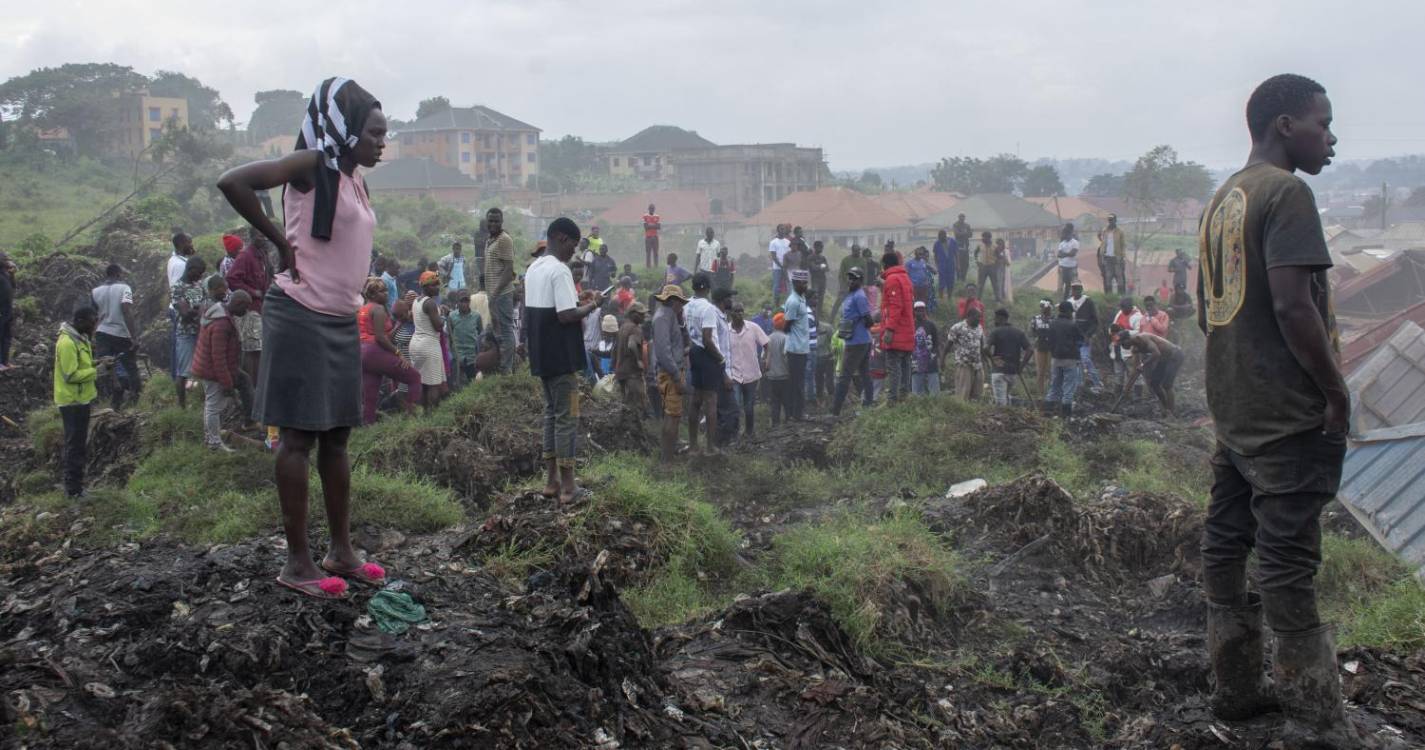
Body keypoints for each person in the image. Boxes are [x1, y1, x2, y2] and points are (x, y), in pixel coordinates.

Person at [1196, 75, 1389, 748]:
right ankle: (1312, 720)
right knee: (1285, 561)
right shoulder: (1287, 193)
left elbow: (1208, 314)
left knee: (1225, 542)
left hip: (1235, 409)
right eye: (1321, 123)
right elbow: (1291, 305)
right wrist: (1334, 390)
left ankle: (1236, 691)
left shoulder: (1224, 198)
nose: (1330, 137)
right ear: (1284, 125)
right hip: (1285, 415)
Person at [216, 76, 389, 599]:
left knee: (336, 438)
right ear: (344, 129)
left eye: (386, 134)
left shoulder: (354, 177)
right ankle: (298, 564)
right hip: (299, 314)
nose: (383, 142)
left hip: (338, 318)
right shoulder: (313, 165)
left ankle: (341, 551)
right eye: (375, 133)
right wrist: (277, 242)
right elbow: (234, 182)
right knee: (297, 439)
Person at [525, 217, 604, 502]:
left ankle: (551, 481)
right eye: (574, 243)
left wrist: (580, 302)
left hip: (542, 357)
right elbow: (566, 315)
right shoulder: (559, 271)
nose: (574, 250)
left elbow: (557, 308)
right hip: (563, 360)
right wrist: (593, 305)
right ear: (560, 237)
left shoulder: (534, 269)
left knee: (551, 415)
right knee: (568, 417)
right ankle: (569, 487)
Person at [54, 305, 109, 498]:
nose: (95, 326)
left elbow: (81, 365)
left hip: (81, 399)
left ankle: (76, 486)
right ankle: (74, 490)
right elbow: (70, 374)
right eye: (92, 322)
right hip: (72, 402)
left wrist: (99, 363)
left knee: (77, 443)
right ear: (79, 322)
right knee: (75, 445)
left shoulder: (80, 338)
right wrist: (98, 371)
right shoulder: (68, 343)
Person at [190, 288, 254, 452]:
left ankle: (249, 421)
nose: (245, 311)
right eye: (245, 307)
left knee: (244, 380)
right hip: (212, 370)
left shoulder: (222, 313)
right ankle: (214, 443)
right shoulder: (221, 324)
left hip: (212, 367)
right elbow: (218, 357)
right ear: (238, 303)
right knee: (213, 407)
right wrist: (227, 384)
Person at [357, 277, 420, 424]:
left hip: (361, 353)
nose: (386, 294)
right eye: (381, 291)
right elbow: (380, 338)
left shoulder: (362, 309)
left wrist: (397, 325)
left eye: (386, 290)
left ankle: (368, 426)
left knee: (370, 395)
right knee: (414, 377)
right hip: (374, 351)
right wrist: (398, 354)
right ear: (372, 295)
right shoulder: (378, 309)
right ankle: (412, 416)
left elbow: (377, 334)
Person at [684, 272, 726, 453]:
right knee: (711, 401)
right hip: (708, 354)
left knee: (695, 399)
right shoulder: (708, 308)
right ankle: (710, 446)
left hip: (694, 351)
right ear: (708, 288)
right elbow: (708, 338)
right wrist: (720, 358)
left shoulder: (687, 305)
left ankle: (693, 444)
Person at [90, 263, 140, 410]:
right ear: (118, 274)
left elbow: (93, 315)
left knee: (106, 367)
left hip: (102, 333)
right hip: (120, 333)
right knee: (130, 367)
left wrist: (92, 335)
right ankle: (134, 400)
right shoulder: (125, 288)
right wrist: (134, 336)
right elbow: (126, 310)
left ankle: (111, 402)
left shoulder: (95, 291)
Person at [226, 228, 273, 380]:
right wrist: (252, 292)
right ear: (252, 237)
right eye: (260, 235)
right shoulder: (245, 256)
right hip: (250, 310)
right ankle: (252, 385)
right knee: (252, 350)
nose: (264, 238)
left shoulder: (262, 255)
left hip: (262, 307)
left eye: (265, 235)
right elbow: (232, 279)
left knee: (260, 348)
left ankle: (259, 383)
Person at [651, 285, 688, 461]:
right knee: (672, 416)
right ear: (674, 301)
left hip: (672, 370)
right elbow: (663, 352)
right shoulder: (662, 318)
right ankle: (666, 460)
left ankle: (669, 456)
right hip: (669, 373)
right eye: (680, 302)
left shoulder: (668, 316)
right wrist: (675, 375)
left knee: (673, 414)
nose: (682, 306)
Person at [830, 268, 874, 415]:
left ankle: (834, 411)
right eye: (849, 277)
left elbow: (869, 320)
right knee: (864, 374)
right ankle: (868, 405)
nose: (850, 280)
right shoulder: (851, 295)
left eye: (854, 278)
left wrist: (856, 327)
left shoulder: (859, 296)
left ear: (860, 281)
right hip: (857, 341)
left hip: (857, 342)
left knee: (844, 376)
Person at [725, 300, 770, 437]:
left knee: (749, 408)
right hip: (734, 375)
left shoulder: (753, 327)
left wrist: (765, 359)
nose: (739, 314)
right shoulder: (725, 330)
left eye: (741, 311)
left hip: (751, 374)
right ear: (730, 313)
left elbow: (767, 344)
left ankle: (749, 433)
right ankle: (735, 433)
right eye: (736, 311)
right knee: (736, 406)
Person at [170, 256, 208, 409]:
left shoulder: (199, 284)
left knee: (204, 369)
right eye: (198, 273)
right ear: (190, 269)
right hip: (186, 333)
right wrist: (197, 310)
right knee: (184, 371)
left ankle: (205, 402)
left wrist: (198, 309)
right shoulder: (177, 287)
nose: (200, 276)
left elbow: (205, 303)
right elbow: (184, 313)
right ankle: (182, 406)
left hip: (201, 331)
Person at [1116, 330, 1183, 415]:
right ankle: (1165, 408)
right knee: (1154, 383)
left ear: (1128, 339)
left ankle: (1172, 412)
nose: (1122, 346)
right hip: (1164, 359)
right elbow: (1135, 369)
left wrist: (1143, 364)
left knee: (1167, 385)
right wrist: (1127, 388)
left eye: (1123, 343)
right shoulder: (1135, 349)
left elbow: (1156, 353)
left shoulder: (1143, 338)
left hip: (1175, 355)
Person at [878, 251, 914, 404]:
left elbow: (895, 306)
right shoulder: (905, 277)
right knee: (905, 364)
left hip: (897, 330)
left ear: (885, 265)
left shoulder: (892, 279)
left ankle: (892, 400)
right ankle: (904, 396)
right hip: (907, 328)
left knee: (893, 366)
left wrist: (889, 329)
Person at [408, 271, 448, 411]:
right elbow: (438, 326)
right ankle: (434, 415)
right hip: (429, 344)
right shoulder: (430, 303)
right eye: (433, 284)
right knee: (433, 384)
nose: (437, 287)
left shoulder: (416, 301)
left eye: (437, 284)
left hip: (416, 343)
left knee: (423, 382)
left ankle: (424, 414)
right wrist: (443, 315)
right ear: (425, 286)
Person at [485, 207, 517, 374]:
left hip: (502, 294)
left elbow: (508, 270)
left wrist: (495, 293)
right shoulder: (490, 240)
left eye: (496, 220)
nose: (493, 224)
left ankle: (507, 369)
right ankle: (501, 367)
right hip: (493, 295)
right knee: (494, 331)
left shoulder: (505, 240)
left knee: (505, 331)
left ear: (502, 221)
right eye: (490, 220)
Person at [1045, 301, 1085, 417]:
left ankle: (1048, 414)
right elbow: (1080, 340)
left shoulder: (1052, 324)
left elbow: (1049, 342)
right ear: (1068, 311)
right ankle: (1065, 417)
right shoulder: (1072, 325)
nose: (1072, 314)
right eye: (1071, 311)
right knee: (1068, 388)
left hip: (1056, 359)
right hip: (1070, 359)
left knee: (1054, 386)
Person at [782, 269, 813, 419]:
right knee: (796, 383)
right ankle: (796, 414)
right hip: (795, 349)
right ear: (795, 283)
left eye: (806, 282)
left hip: (801, 347)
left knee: (798, 381)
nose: (805, 285)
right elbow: (787, 325)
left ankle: (796, 413)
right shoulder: (793, 301)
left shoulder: (801, 298)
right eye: (802, 283)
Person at [986, 309, 1032, 406]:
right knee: (1006, 398)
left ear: (1000, 318)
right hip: (1013, 372)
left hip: (999, 371)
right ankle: (1008, 418)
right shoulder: (1018, 332)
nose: (994, 321)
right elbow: (1030, 350)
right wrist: (1021, 367)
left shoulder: (995, 332)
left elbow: (985, 348)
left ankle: (1001, 419)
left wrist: (992, 360)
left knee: (1000, 403)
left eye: (995, 318)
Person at [614, 301, 649, 415]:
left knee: (625, 407)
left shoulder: (623, 327)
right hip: (632, 374)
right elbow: (631, 344)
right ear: (633, 314)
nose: (644, 316)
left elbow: (615, 349)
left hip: (621, 372)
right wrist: (638, 360)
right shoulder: (635, 329)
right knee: (637, 409)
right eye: (641, 314)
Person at [1068, 282, 1103, 391]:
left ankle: (1097, 383)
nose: (1075, 292)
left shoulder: (1088, 302)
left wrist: (1089, 335)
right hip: (1073, 337)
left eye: (1078, 289)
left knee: (1085, 359)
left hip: (1084, 337)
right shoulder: (1069, 302)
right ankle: (1079, 384)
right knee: (1076, 362)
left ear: (1081, 290)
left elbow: (1095, 321)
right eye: (1074, 289)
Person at [946, 308, 985, 402]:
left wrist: (985, 360)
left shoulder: (979, 327)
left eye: (980, 317)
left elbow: (982, 344)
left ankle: (975, 413)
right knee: (963, 393)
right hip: (964, 364)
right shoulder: (957, 327)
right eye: (977, 317)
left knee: (978, 393)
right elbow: (948, 344)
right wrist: (943, 359)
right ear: (969, 316)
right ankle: (961, 412)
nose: (979, 319)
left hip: (977, 364)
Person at [448, 290, 483, 388]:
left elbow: (481, 336)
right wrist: (454, 355)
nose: (464, 304)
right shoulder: (451, 316)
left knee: (475, 385)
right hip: (458, 358)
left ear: (469, 302)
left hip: (473, 357)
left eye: (466, 301)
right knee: (458, 387)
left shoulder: (476, 316)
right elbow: (450, 339)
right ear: (457, 302)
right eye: (461, 301)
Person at [1110, 296, 1144, 382]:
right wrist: (1112, 331)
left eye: (1123, 307)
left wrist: (1126, 332)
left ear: (1130, 306)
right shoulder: (1120, 313)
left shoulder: (1138, 316)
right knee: (1119, 374)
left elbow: (1140, 332)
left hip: (1130, 352)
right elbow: (1113, 326)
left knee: (1135, 375)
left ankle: (1137, 395)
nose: (1122, 309)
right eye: (1121, 307)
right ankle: (1119, 394)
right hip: (1117, 348)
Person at [910, 301, 941, 395]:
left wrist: (934, 355)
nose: (919, 312)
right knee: (917, 390)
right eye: (917, 310)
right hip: (916, 360)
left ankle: (935, 405)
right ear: (914, 312)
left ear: (925, 311)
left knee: (934, 388)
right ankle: (918, 407)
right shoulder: (911, 325)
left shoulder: (931, 325)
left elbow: (936, 342)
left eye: (922, 310)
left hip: (930, 359)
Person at [765, 313, 790, 426]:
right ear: (783, 325)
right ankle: (788, 421)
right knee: (786, 400)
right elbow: (786, 357)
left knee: (775, 402)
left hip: (771, 376)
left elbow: (763, 357)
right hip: (784, 375)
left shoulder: (768, 338)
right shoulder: (786, 338)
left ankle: (775, 424)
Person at [1029, 299, 1055, 395]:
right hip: (1039, 346)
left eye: (1047, 307)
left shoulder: (1054, 319)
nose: (1044, 309)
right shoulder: (1035, 319)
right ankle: (1040, 393)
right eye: (1042, 307)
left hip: (1051, 347)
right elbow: (1032, 333)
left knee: (1051, 370)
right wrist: (1033, 343)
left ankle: (1052, 392)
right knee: (1040, 371)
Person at [1097, 214, 1127, 295]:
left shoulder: (1120, 232)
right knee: (1108, 277)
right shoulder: (1105, 231)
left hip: (1117, 257)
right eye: (1109, 220)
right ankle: (1109, 297)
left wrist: (1123, 257)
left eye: (1112, 220)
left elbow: (1123, 245)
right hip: (1107, 257)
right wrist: (1102, 254)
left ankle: (1121, 296)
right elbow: (1103, 242)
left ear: (1115, 221)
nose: (1110, 222)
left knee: (1119, 277)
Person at [1056, 224, 1080, 300]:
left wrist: (1064, 254)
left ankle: (1073, 298)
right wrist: (1067, 254)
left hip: (1072, 266)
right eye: (1064, 233)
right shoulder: (1062, 243)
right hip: (1063, 266)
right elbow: (1059, 254)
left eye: (1067, 233)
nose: (1065, 235)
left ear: (1070, 233)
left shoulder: (1075, 241)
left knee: (1074, 283)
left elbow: (1073, 253)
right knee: (1065, 283)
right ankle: (1064, 298)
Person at [932, 229, 958, 302]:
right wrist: (937, 265)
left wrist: (958, 264)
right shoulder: (937, 243)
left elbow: (956, 253)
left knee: (951, 282)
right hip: (942, 265)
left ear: (945, 236)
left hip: (951, 265)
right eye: (939, 238)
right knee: (941, 283)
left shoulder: (952, 241)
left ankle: (949, 297)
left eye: (941, 237)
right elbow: (935, 255)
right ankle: (941, 298)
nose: (940, 239)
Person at [768, 225, 791, 298]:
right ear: (777, 230)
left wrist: (786, 266)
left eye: (784, 229)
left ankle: (789, 301)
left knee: (789, 284)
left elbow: (789, 255)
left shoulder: (788, 242)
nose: (783, 230)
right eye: (781, 229)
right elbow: (774, 257)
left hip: (787, 267)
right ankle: (776, 302)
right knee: (776, 285)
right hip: (777, 268)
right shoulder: (773, 242)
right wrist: (781, 266)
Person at [808, 241, 830, 314]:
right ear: (815, 247)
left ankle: (819, 313)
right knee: (815, 296)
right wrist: (821, 266)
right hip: (815, 279)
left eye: (822, 247)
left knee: (821, 297)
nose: (822, 248)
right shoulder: (811, 257)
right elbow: (813, 268)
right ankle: (813, 312)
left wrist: (819, 267)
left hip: (823, 279)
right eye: (820, 247)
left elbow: (827, 268)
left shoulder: (823, 257)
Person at [0, 251, 14, 370]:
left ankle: (5, 361)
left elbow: (13, 287)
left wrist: (12, 274)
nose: (7, 260)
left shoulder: (5, 274)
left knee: (7, 336)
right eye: (5, 259)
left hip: (7, 310)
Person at [952, 214, 973, 281]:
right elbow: (956, 234)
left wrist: (963, 233)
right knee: (958, 263)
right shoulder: (955, 224)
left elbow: (971, 234)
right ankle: (958, 278)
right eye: (960, 217)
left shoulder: (967, 225)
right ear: (958, 217)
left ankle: (963, 278)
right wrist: (965, 233)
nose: (962, 218)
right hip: (958, 247)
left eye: (963, 217)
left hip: (966, 247)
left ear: (964, 218)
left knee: (966, 264)